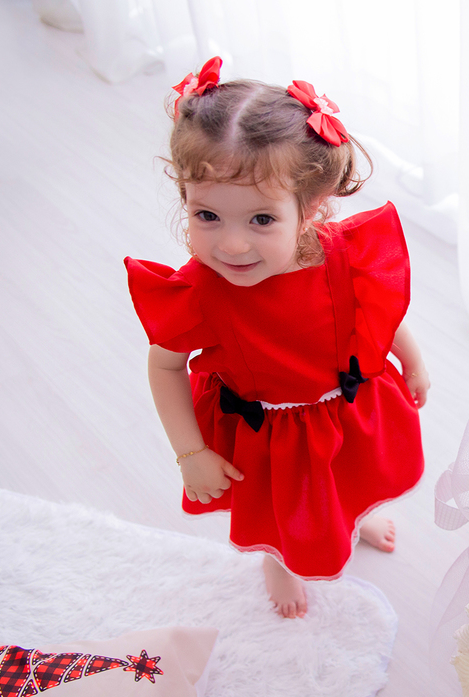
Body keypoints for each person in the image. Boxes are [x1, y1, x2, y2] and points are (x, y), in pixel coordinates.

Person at [125, 57, 429, 619]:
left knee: (349, 479)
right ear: (185, 196)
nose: (232, 245)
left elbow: (377, 312)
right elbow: (165, 366)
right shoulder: (199, 290)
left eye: (261, 220)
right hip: (269, 432)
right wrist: (191, 453)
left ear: (311, 207)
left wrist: (410, 360)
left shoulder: (338, 251)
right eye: (207, 215)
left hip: (346, 405)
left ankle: (354, 521)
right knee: (289, 511)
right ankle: (278, 559)